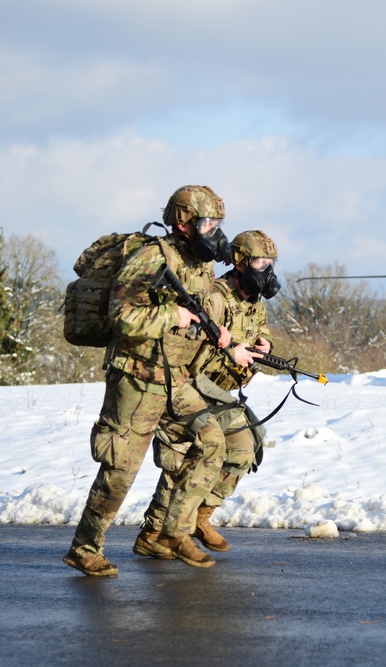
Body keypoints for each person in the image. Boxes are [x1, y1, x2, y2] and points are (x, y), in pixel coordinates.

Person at [63, 184, 259, 577]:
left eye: (218, 222)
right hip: (137, 378)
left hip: (176, 380)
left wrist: (223, 337)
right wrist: (174, 317)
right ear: (184, 223)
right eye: (206, 221)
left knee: (211, 441)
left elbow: (200, 315)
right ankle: (85, 548)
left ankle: (173, 532)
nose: (214, 229)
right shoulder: (151, 257)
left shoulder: (201, 266)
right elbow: (123, 317)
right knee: (120, 470)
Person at [134, 230, 280, 559]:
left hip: (221, 390)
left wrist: (264, 343)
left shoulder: (252, 300)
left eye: (270, 263)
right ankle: (153, 532)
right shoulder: (216, 296)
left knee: (244, 447)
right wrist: (231, 351)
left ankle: (200, 517)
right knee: (187, 457)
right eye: (260, 261)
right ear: (241, 263)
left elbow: (260, 326)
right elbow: (191, 339)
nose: (267, 269)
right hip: (193, 382)